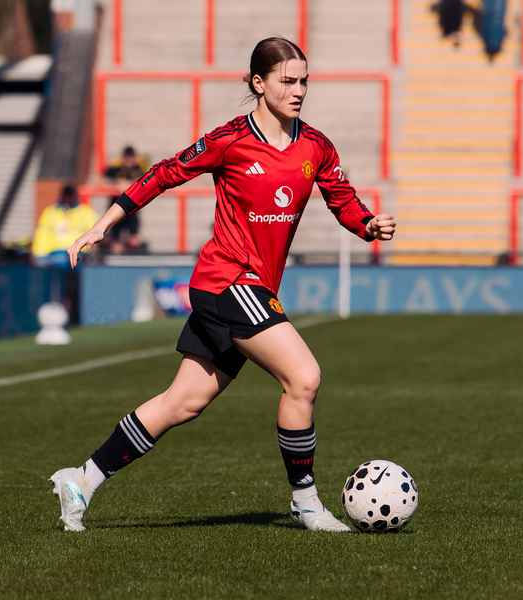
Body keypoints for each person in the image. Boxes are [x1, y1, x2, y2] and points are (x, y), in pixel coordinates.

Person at [50, 37, 397, 533]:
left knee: (182, 402)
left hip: (253, 287)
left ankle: (81, 480)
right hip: (228, 279)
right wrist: (104, 223)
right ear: (259, 83)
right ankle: (306, 502)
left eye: (303, 81)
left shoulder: (315, 146)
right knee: (303, 377)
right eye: (287, 81)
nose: (298, 90)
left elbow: (342, 200)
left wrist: (369, 225)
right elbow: (165, 174)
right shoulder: (230, 140)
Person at [31, 184, 98, 268]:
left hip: (79, 254)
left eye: (70, 195)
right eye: (66, 195)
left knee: (64, 260)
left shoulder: (86, 212)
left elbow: (96, 233)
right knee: (59, 260)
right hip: (51, 254)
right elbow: (41, 234)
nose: (68, 199)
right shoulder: (50, 212)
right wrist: (37, 255)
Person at [102, 145, 146, 254]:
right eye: (127, 157)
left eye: (131, 157)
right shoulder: (115, 169)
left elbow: (144, 182)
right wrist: (116, 184)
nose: (129, 160)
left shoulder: (138, 169)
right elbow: (102, 180)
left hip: (132, 210)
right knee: (115, 242)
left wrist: (128, 185)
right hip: (116, 208)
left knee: (134, 240)